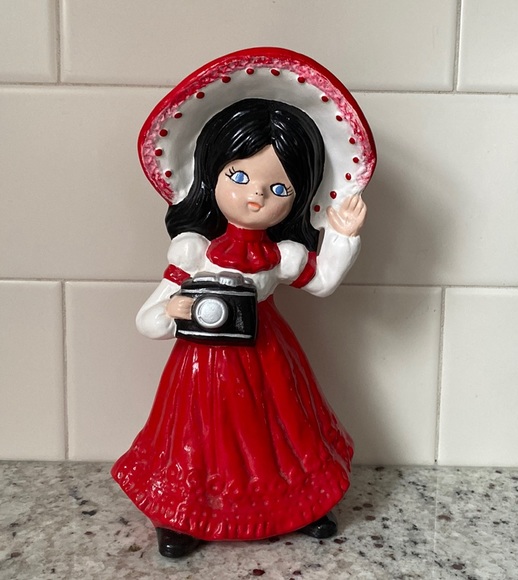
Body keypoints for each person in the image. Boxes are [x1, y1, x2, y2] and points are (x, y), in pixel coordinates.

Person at [111, 49, 375, 559]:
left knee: (282, 432)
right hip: (202, 366)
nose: (256, 197)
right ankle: (184, 514)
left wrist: (342, 235)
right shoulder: (193, 251)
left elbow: (322, 283)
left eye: (277, 187)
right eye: (239, 177)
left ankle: (300, 505)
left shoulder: (283, 254)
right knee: (198, 440)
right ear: (211, 174)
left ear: (298, 195)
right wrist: (175, 311)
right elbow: (147, 320)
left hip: (267, 355)